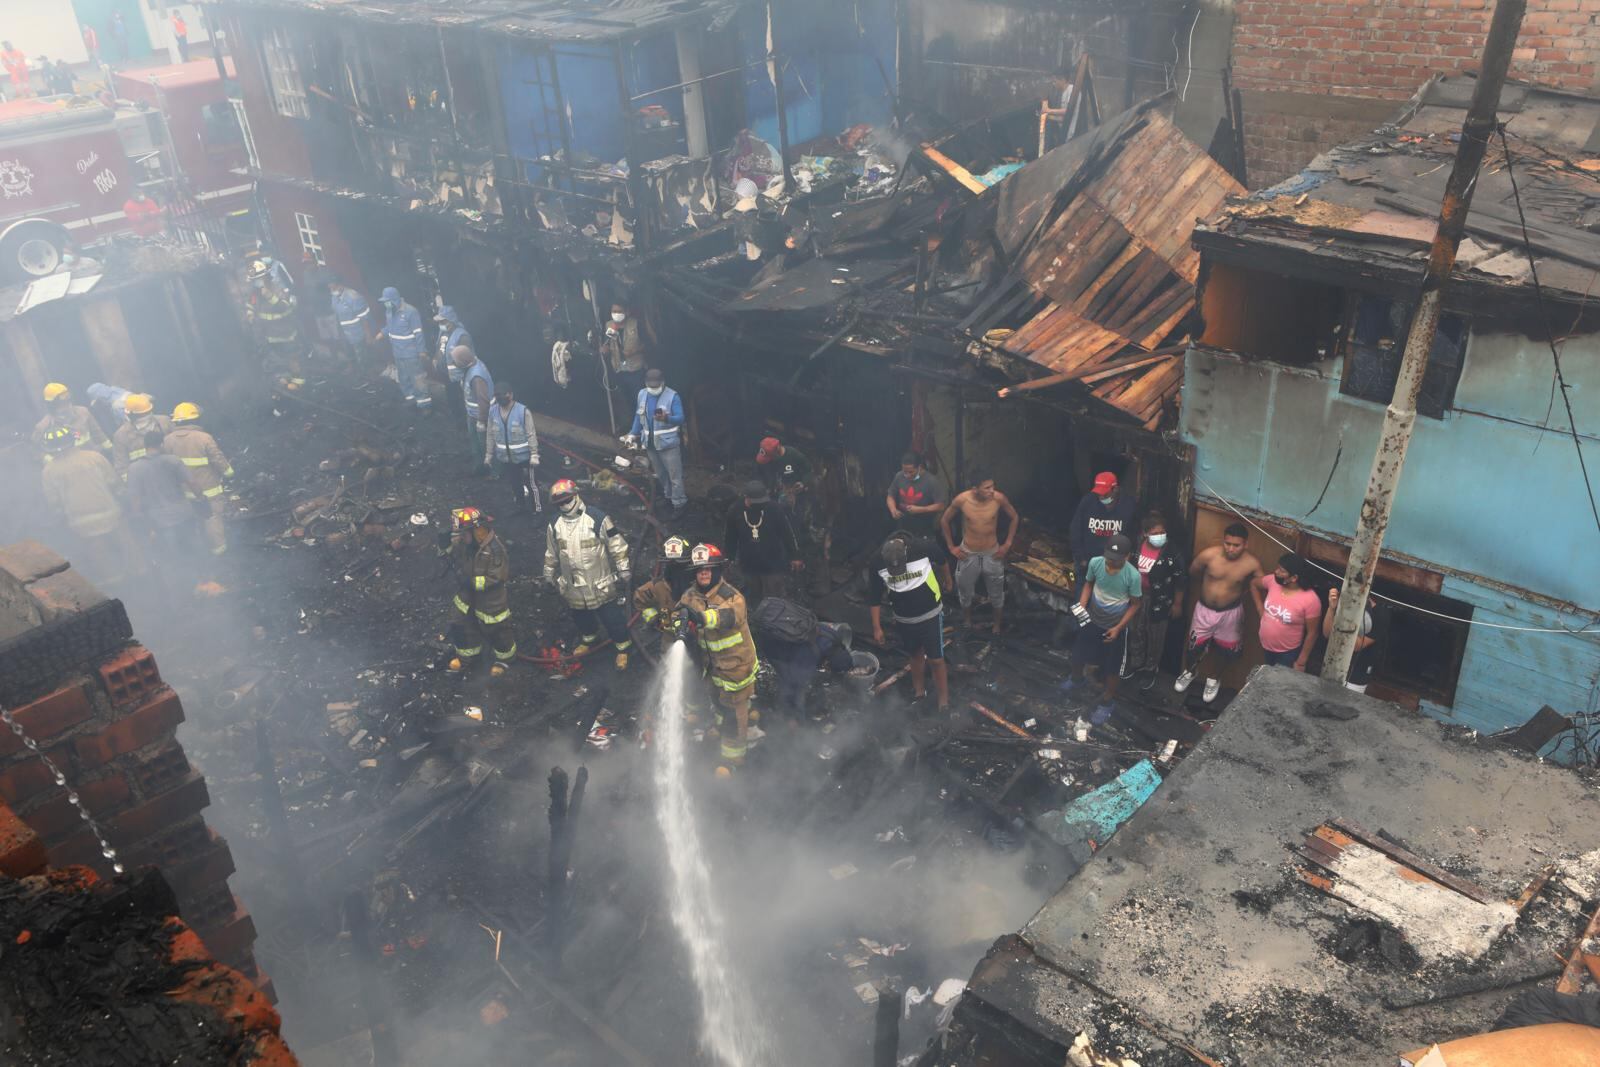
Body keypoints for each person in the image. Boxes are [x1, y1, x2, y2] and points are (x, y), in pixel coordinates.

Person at [676, 543, 759, 770]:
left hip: (735, 668)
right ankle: (724, 727)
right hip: (710, 666)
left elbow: (729, 617)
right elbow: (679, 613)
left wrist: (702, 618)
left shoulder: (732, 597)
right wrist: (677, 623)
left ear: (718, 571)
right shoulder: (689, 596)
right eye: (699, 569)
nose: (704, 573)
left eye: (709, 569)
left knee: (734, 714)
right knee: (719, 704)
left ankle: (733, 758)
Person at [543, 479, 633, 670]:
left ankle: (623, 648)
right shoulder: (555, 524)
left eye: (567, 500)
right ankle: (589, 639)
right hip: (572, 585)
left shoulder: (597, 518)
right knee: (580, 616)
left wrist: (623, 567)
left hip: (599, 583)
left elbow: (617, 544)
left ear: (576, 496)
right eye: (560, 503)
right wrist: (548, 574)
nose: (564, 505)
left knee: (612, 618)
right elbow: (551, 552)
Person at [1175, 523, 1264, 704]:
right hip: (1204, 610)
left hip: (1231, 613)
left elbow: (1263, 584)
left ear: (1245, 544)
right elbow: (1193, 572)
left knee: (1226, 651)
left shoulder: (1251, 564)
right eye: (1227, 543)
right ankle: (1190, 671)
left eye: (1236, 545)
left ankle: (1214, 678)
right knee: (1193, 647)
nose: (1230, 549)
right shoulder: (1209, 555)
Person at [1060, 533, 1141, 724]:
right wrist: (1082, 606)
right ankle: (1076, 679)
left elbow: (1136, 604)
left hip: (1115, 626)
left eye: (1116, 560)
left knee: (1112, 668)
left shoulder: (1133, 576)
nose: (1111, 564)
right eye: (1109, 559)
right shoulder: (1096, 563)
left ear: (1127, 557)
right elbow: (1088, 584)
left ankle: (1107, 701)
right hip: (1092, 619)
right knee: (1078, 654)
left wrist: (1119, 628)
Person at [39, 426, 133, 585]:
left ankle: (116, 583)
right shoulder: (94, 457)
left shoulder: (49, 471)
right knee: (127, 544)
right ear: (72, 440)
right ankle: (139, 573)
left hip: (81, 523)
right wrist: (124, 501)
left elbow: (54, 503)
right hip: (110, 512)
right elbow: (114, 483)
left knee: (100, 555)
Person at [868, 532, 949, 713]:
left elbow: (943, 560)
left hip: (930, 615)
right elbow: (873, 596)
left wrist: (948, 582)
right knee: (914, 655)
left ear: (906, 552)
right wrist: (876, 627)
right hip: (904, 619)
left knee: (936, 659)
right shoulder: (876, 561)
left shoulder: (924, 548)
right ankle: (919, 693)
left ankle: (944, 703)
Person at [940, 471, 1018, 635]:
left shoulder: (999, 498)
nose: (992, 490)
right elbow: (944, 520)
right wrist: (951, 547)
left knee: (997, 592)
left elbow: (1014, 517)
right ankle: (967, 620)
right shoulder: (962, 500)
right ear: (975, 489)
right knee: (965, 590)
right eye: (987, 488)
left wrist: (1007, 544)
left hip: (992, 552)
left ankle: (997, 625)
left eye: (993, 486)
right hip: (968, 552)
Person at [443, 507, 515, 678]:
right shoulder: (466, 545)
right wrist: (443, 546)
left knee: (496, 628)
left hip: (490, 599)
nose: (461, 537)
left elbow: (497, 577)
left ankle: (504, 659)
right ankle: (468, 658)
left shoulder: (495, 550)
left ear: (477, 530)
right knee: (459, 622)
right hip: (467, 595)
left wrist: (473, 582)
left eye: (464, 533)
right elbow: (450, 559)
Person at [753, 597, 853, 717]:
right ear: (828, 663)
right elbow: (794, 686)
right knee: (787, 678)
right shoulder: (809, 658)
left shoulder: (834, 636)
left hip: (789, 625)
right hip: (771, 643)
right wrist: (795, 716)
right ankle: (784, 710)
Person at [1126, 510, 1186, 689]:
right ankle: (1135, 663)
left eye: (1162, 532)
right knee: (1136, 630)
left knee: (1156, 636)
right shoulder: (1137, 546)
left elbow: (1181, 581)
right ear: (1145, 533)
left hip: (1160, 600)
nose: (1159, 536)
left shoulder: (1172, 553)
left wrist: (1177, 603)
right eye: (1154, 533)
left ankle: (1150, 669)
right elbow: (1127, 568)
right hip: (1137, 596)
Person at [164, 402, 233, 557]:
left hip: (183, 491)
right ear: (195, 420)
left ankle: (199, 553)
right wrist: (229, 472)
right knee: (212, 519)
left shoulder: (167, 440)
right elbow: (217, 459)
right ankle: (220, 552)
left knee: (193, 521)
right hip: (208, 489)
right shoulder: (204, 438)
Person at [125, 431, 198, 568]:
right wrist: (201, 498)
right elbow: (192, 482)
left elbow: (134, 496)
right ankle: (201, 576)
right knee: (192, 548)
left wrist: (137, 516)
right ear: (162, 444)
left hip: (159, 521)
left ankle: (183, 580)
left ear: (145, 446)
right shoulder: (173, 460)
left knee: (172, 556)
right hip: (183, 513)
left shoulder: (134, 468)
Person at [723, 480, 800, 605]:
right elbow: (730, 537)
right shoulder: (735, 510)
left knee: (775, 599)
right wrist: (729, 557)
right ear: (746, 498)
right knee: (753, 598)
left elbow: (787, 534)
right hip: (749, 563)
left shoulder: (774, 509)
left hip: (772, 563)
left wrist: (794, 556)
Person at [624, 368, 686, 514]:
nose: (653, 389)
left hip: (668, 444)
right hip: (650, 443)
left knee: (675, 476)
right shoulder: (642, 394)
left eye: (656, 386)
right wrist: (632, 434)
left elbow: (681, 418)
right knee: (661, 474)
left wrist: (667, 418)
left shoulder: (673, 396)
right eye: (650, 386)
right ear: (646, 383)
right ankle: (668, 497)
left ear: (662, 383)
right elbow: (638, 416)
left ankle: (679, 504)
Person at [886, 450, 949, 588]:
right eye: (905, 471)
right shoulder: (898, 477)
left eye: (911, 472)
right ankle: (908, 587)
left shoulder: (931, 481)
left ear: (919, 467)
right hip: (903, 526)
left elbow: (941, 505)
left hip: (924, 526)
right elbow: (890, 495)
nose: (907, 475)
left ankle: (933, 589)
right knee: (905, 559)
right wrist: (893, 509)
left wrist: (921, 509)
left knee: (928, 559)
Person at [1253, 553, 1322, 671]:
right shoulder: (1272, 582)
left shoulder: (1311, 600)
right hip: (1266, 647)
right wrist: (1260, 609)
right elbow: (1254, 584)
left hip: (1288, 653)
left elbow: (1313, 633)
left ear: (1294, 578)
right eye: (1278, 568)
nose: (1276, 572)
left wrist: (1301, 661)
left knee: (1279, 685)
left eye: (1282, 571)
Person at [1069, 471, 1138, 588]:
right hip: (1087, 562)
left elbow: (1132, 535)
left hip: (1114, 566)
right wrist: (1081, 558)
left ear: (1115, 489)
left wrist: (1124, 561)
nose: (1101, 497)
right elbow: (1075, 530)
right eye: (1099, 494)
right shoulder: (1088, 501)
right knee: (1081, 597)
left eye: (1105, 494)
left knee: (1107, 601)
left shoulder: (1128, 506)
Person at [246, 263, 303, 386]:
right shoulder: (254, 293)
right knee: (277, 359)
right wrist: (249, 313)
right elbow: (250, 304)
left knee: (292, 358)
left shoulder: (276, 288)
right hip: (269, 334)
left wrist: (270, 296)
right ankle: (285, 381)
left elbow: (285, 307)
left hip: (285, 332)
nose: (257, 282)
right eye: (254, 280)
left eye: (258, 279)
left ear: (266, 276)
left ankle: (299, 382)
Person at [486, 383, 540, 514]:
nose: (500, 398)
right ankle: (520, 507)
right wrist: (489, 454)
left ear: (510, 394)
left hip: (525, 457)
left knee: (532, 485)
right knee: (515, 484)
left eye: (503, 394)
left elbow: (531, 433)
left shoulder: (522, 411)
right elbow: (490, 433)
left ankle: (537, 511)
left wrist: (534, 454)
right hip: (506, 458)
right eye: (497, 395)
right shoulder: (493, 411)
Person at [1323, 587, 1383, 694]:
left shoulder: (1380, 613)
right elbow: (1327, 634)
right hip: (1333, 666)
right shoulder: (1343, 602)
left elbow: (1356, 646)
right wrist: (1332, 608)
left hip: (1356, 676)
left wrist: (1348, 614)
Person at [381, 287, 429, 410]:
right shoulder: (389, 311)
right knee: (404, 378)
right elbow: (389, 326)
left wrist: (422, 351)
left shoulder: (411, 311)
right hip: (397, 352)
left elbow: (418, 332)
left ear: (394, 300)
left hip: (410, 353)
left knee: (417, 378)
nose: (386, 304)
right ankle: (411, 399)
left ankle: (425, 404)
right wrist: (382, 332)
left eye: (387, 301)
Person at [634, 534, 691, 636]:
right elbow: (639, 599)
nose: (675, 569)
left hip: (698, 643)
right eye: (670, 564)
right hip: (669, 641)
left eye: (679, 565)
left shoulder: (699, 588)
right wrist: (654, 618)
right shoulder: (657, 586)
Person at [34, 383, 112, 456]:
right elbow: (36, 451)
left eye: (68, 401)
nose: (67, 406)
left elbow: (99, 435)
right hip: (68, 467)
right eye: (61, 404)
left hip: (92, 460)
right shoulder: (43, 426)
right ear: (51, 406)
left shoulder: (83, 413)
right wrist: (51, 461)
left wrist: (111, 451)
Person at [601, 302, 646, 423]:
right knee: (626, 402)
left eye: (619, 311)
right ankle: (632, 427)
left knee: (640, 403)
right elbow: (607, 344)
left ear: (627, 312)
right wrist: (604, 350)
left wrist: (634, 351)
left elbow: (648, 345)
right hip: (619, 370)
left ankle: (644, 429)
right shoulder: (609, 326)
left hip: (635, 371)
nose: (616, 314)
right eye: (614, 311)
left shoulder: (636, 324)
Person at [112, 394, 172, 477]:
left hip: (170, 475)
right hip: (146, 481)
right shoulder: (121, 436)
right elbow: (122, 468)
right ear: (130, 416)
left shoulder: (165, 422)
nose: (145, 417)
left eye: (146, 413)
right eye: (141, 415)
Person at [329, 281, 371, 363]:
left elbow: (364, 318)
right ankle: (353, 368)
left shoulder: (353, 297)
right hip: (345, 333)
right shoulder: (334, 297)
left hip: (358, 333)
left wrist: (368, 335)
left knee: (362, 357)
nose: (331, 290)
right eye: (330, 288)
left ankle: (365, 372)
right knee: (349, 353)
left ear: (340, 285)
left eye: (333, 288)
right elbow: (336, 313)